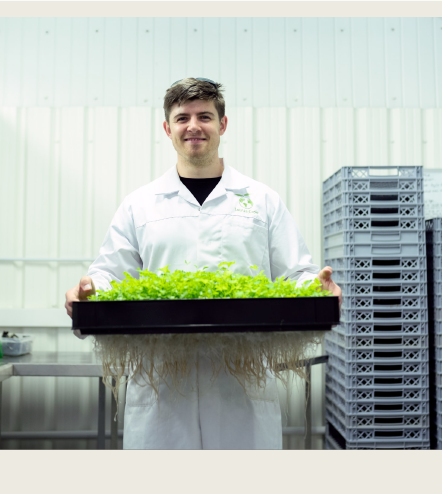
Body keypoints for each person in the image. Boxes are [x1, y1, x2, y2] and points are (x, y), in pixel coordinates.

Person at [65, 77, 342, 449]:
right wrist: (86, 293)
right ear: (167, 128)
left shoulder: (261, 200)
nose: (193, 126)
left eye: (205, 116)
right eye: (182, 118)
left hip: (241, 385)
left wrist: (318, 290)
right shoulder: (140, 204)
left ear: (222, 125)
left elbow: (297, 274)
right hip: (161, 387)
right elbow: (108, 276)